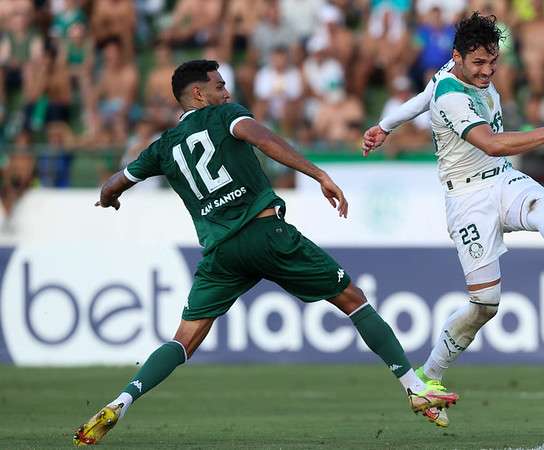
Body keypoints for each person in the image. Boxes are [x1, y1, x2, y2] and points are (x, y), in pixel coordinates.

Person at [72, 60, 459, 446]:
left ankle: (121, 400)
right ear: (197, 94)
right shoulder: (225, 115)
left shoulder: (162, 148)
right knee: (352, 300)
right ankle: (413, 387)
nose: (226, 92)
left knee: (184, 339)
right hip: (265, 233)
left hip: (221, 253)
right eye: (219, 85)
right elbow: (263, 138)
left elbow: (111, 184)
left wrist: (111, 199)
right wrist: (319, 175)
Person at [361, 13, 544, 428]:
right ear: (457, 58)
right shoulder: (453, 96)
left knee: (542, 208)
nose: (487, 72)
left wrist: (383, 126)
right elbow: (490, 143)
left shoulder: (447, 74)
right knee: (485, 304)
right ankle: (429, 377)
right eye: (478, 65)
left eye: (493, 63)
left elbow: (419, 98)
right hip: (468, 200)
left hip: (501, 180)